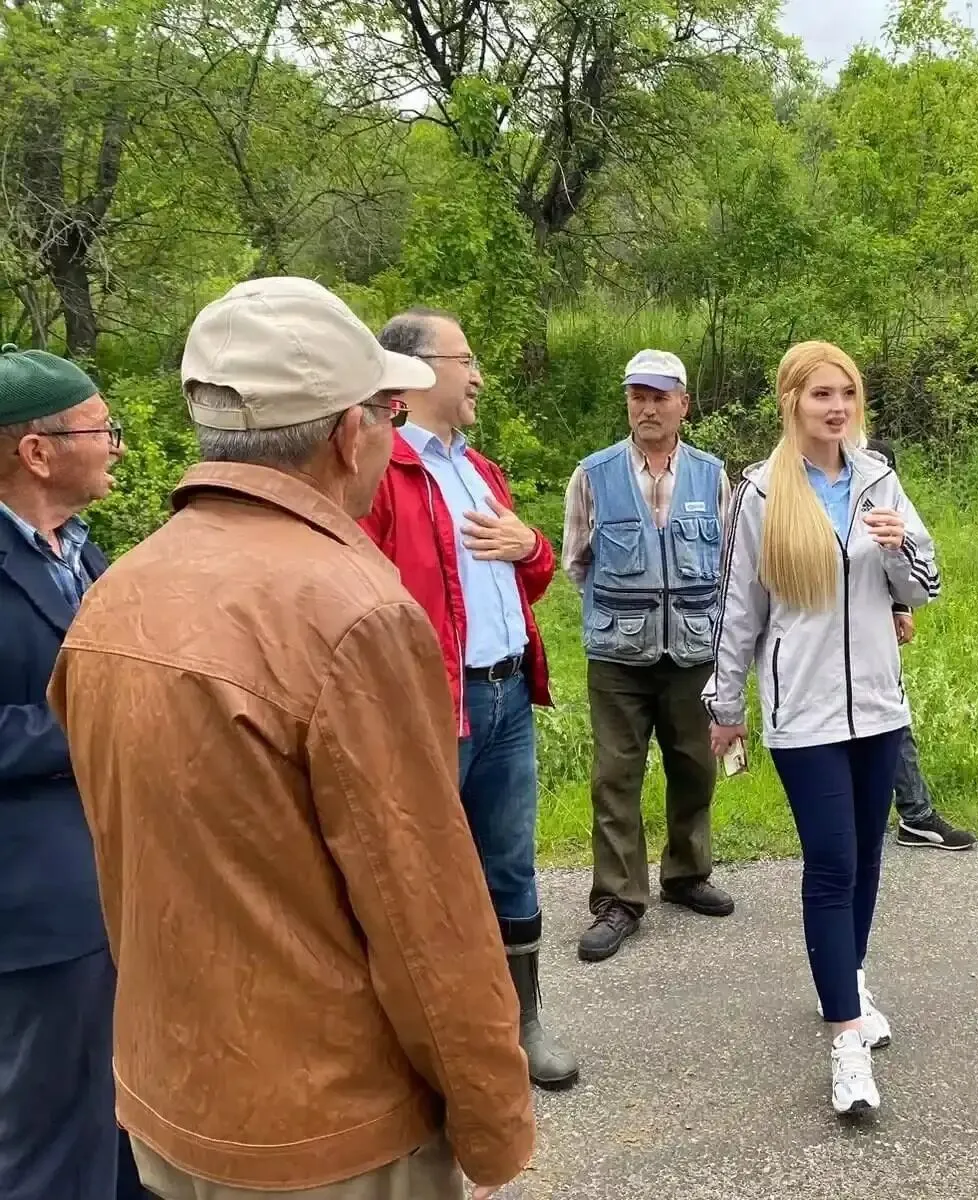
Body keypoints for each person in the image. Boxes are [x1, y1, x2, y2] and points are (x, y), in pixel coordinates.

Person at [47, 277, 534, 1199]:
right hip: (329, 1132)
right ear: (350, 434)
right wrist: (495, 1122)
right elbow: (425, 916)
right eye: (388, 412)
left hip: (168, 1106)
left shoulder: (117, 592)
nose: (391, 435)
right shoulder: (354, 612)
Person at [705, 341, 941, 1117]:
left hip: (877, 706)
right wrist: (725, 707)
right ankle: (846, 1042)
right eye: (820, 395)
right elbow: (737, 610)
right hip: (802, 715)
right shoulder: (759, 492)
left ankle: (850, 980)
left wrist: (899, 548)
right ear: (792, 402)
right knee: (833, 862)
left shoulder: (878, 479)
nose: (836, 408)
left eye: (846, 393)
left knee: (868, 855)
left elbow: (925, 589)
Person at [363, 308, 578, 1090]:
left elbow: (530, 578)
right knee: (422, 877)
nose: (479, 375)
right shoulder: (379, 471)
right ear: (417, 372)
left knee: (510, 867)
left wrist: (532, 546)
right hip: (430, 709)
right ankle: (436, 1045)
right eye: (467, 360)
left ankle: (522, 1027)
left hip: (506, 697)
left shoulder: (480, 470)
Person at [0, 345, 146, 1200]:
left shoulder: (82, 551)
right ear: (37, 451)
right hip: (35, 910)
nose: (116, 444)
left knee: (123, 1113)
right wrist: (91, 719)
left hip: (109, 885)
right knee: (50, 1139)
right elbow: (87, 702)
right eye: (101, 429)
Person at [562, 348, 735, 963]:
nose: (649, 408)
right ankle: (619, 899)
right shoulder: (593, 474)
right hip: (618, 657)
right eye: (639, 396)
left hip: (694, 652)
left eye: (661, 397)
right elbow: (577, 563)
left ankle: (686, 874)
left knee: (696, 767)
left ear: (684, 404)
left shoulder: (713, 476)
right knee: (616, 776)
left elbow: (731, 565)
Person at [863, 435, 976, 852]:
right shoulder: (797, 476)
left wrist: (901, 607)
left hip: (875, 626)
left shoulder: (879, 467)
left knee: (891, 716)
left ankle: (915, 814)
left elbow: (894, 554)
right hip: (818, 641)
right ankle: (896, 815)